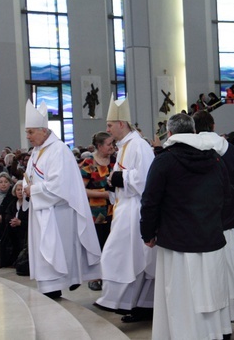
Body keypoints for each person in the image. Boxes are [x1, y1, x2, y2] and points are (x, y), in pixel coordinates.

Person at [140, 113, 232, 340]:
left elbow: (150, 201)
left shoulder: (164, 160)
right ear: (193, 132)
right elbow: (227, 196)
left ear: (169, 133)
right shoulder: (216, 159)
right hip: (211, 238)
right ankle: (214, 334)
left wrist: (148, 233)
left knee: (181, 297)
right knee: (210, 291)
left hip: (178, 241)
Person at [23, 100, 101, 299]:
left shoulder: (58, 150)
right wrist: (22, 188)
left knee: (57, 252)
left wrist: (33, 190)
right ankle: (50, 287)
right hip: (41, 211)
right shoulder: (37, 152)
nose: (28, 136)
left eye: (31, 132)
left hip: (58, 213)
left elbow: (59, 187)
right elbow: (29, 178)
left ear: (42, 130)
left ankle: (54, 288)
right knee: (46, 253)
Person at [96, 94, 156, 322]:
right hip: (124, 207)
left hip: (135, 210)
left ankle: (119, 301)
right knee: (128, 258)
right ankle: (135, 304)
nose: (108, 129)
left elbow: (147, 178)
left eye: (110, 125)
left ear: (122, 124)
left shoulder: (138, 145)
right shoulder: (123, 146)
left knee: (121, 256)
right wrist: (115, 180)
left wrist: (121, 177)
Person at [192, 110, 234, 325]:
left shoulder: (191, 150)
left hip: (201, 219)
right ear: (213, 126)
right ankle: (230, 314)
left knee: (206, 272)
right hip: (227, 217)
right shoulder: (231, 151)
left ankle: (210, 319)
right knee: (229, 268)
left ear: (194, 128)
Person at [79, 131, 116, 291]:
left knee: (112, 243)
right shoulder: (89, 163)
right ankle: (95, 276)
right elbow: (80, 190)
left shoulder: (115, 161)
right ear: (99, 146)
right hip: (96, 212)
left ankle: (111, 275)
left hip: (114, 209)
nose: (112, 147)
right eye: (109, 144)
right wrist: (104, 194)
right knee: (98, 244)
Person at [4, 180, 29, 267]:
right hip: (14, 230)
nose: (20, 192)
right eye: (18, 190)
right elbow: (7, 215)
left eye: (22, 189)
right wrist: (12, 220)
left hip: (25, 231)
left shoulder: (29, 204)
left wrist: (20, 222)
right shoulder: (13, 203)